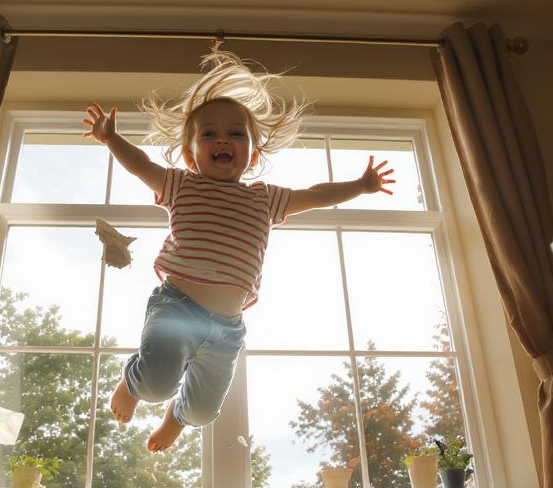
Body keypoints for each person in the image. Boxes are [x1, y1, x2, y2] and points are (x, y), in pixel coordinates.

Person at [82, 48, 395, 452]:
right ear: (189, 154)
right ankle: (132, 382)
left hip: (227, 327)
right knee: (157, 383)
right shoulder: (182, 185)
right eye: (208, 134)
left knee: (202, 411)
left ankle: (177, 418)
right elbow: (141, 165)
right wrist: (111, 139)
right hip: (176, 307)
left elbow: (315, 195)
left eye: (235, 133)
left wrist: (359, 185)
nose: (222, 139)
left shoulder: (265, 199)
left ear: (254, 153)